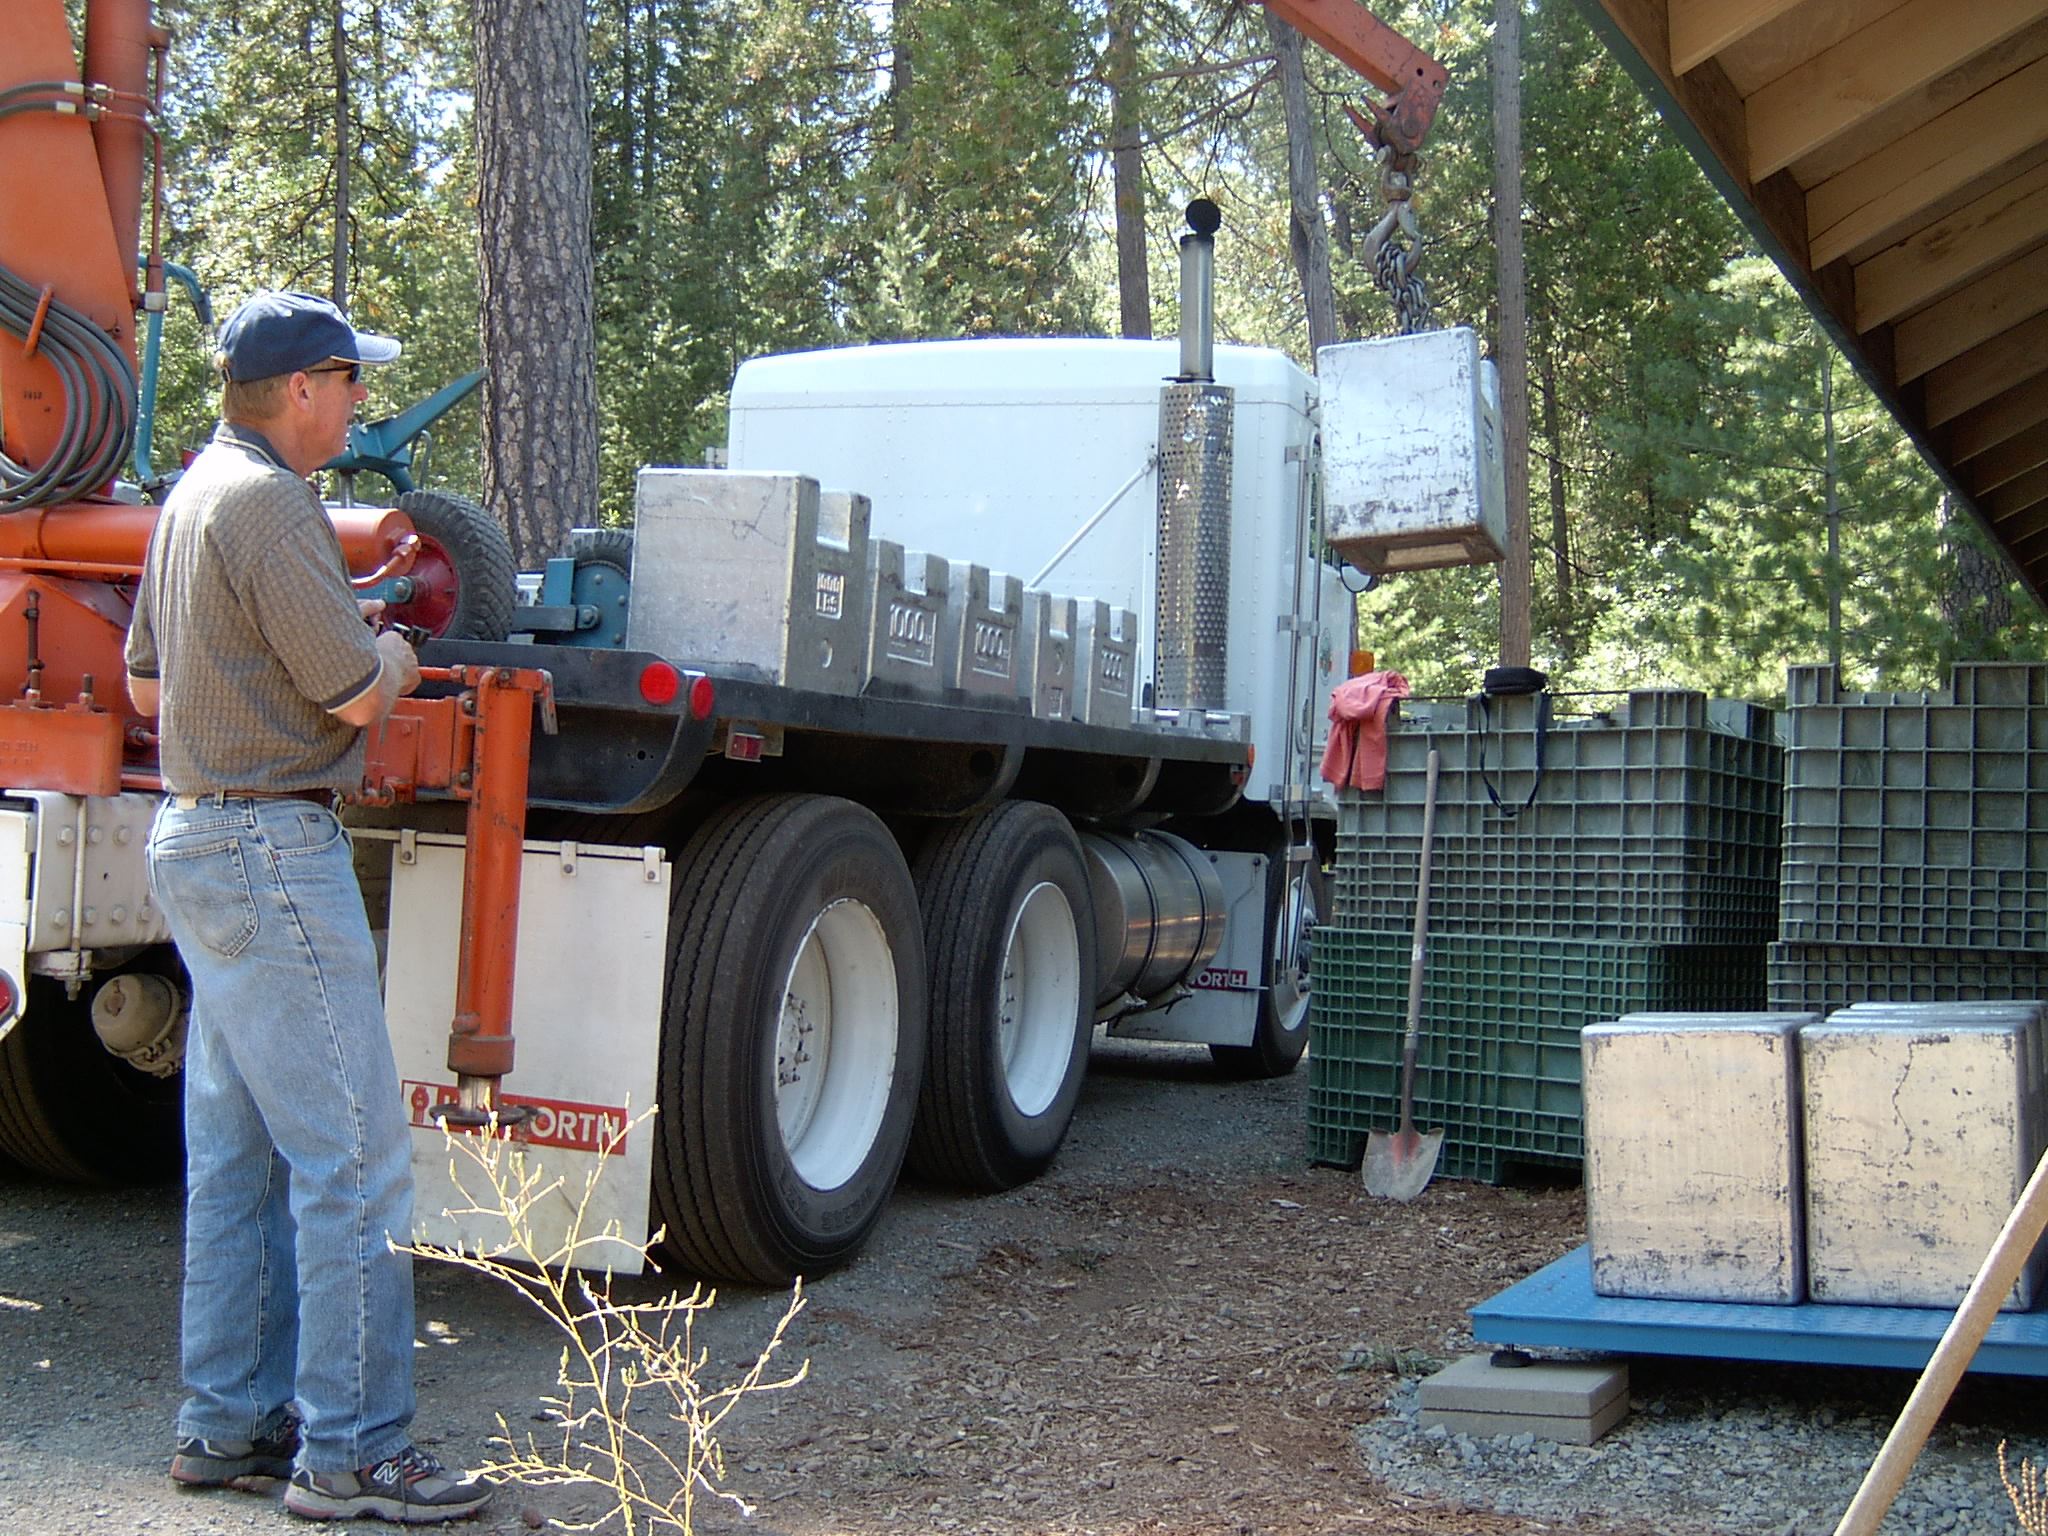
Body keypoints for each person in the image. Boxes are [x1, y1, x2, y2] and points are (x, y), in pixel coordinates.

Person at [124, 290, 489, 1524]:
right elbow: (348, 694)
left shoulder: (187, 499)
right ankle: (355, 1454)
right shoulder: (274, 503)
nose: (359, 402)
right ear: (297, 388)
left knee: (234, 1158)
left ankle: (227, 1425)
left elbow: (138, 677)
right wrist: (389, 645)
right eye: (349, 379)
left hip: (198, 840)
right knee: (357, 1164)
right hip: (276, 848)